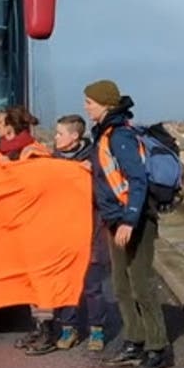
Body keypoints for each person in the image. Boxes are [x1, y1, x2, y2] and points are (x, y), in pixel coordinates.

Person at [85, 80, 174, 368]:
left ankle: (157, 349)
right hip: (115, 219)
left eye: (90, 102)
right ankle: (135, 340)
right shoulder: (104, 135)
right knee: (121, 285)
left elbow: (137, 180)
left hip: (133, 221)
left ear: (105, 104)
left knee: (140, 284)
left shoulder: (119, 136)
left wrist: (129, 220)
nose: (87, 107)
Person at [22, 114, 111, 355]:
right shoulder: (53, 159)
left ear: (74, 136)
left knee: (91, 286)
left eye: (60, 134)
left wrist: (90, 177)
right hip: (62, 235)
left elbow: (106, 192)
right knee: (64, 283)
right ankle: (68, 327)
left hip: (90, 232)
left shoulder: (94, 158)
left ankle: (96, 330)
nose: (56, 138)